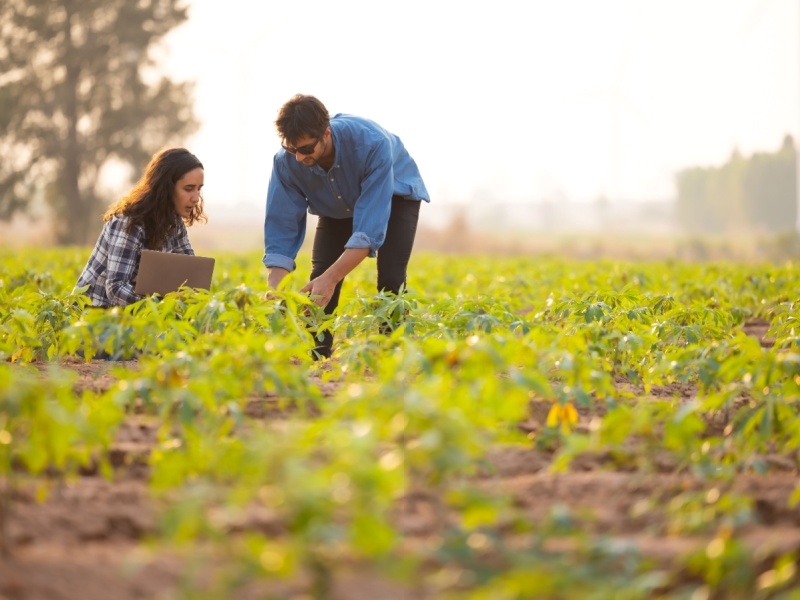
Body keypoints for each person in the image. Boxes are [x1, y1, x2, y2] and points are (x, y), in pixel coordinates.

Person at [263, 94, 430, 359]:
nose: (298, 158)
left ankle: (392, 354)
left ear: (326, 133)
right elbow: (281, 226)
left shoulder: (371, 144)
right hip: (336, 204)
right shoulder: (286, 163)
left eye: (306, 149)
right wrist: (274, 289)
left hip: (395, 196)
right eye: (291, 149)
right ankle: (317, 356)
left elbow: (368, 231)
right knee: (320, 275)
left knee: (390, 279)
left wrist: (331, 278)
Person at [75, 147, 206, 308]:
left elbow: (190, 277)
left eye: (199, 189)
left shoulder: (174, 223)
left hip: (134, 313)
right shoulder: (129, 221)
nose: (196, 198)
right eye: (188, 188)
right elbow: (116, 288)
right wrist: (159, 307)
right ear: (166, 187)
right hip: (95, 312)